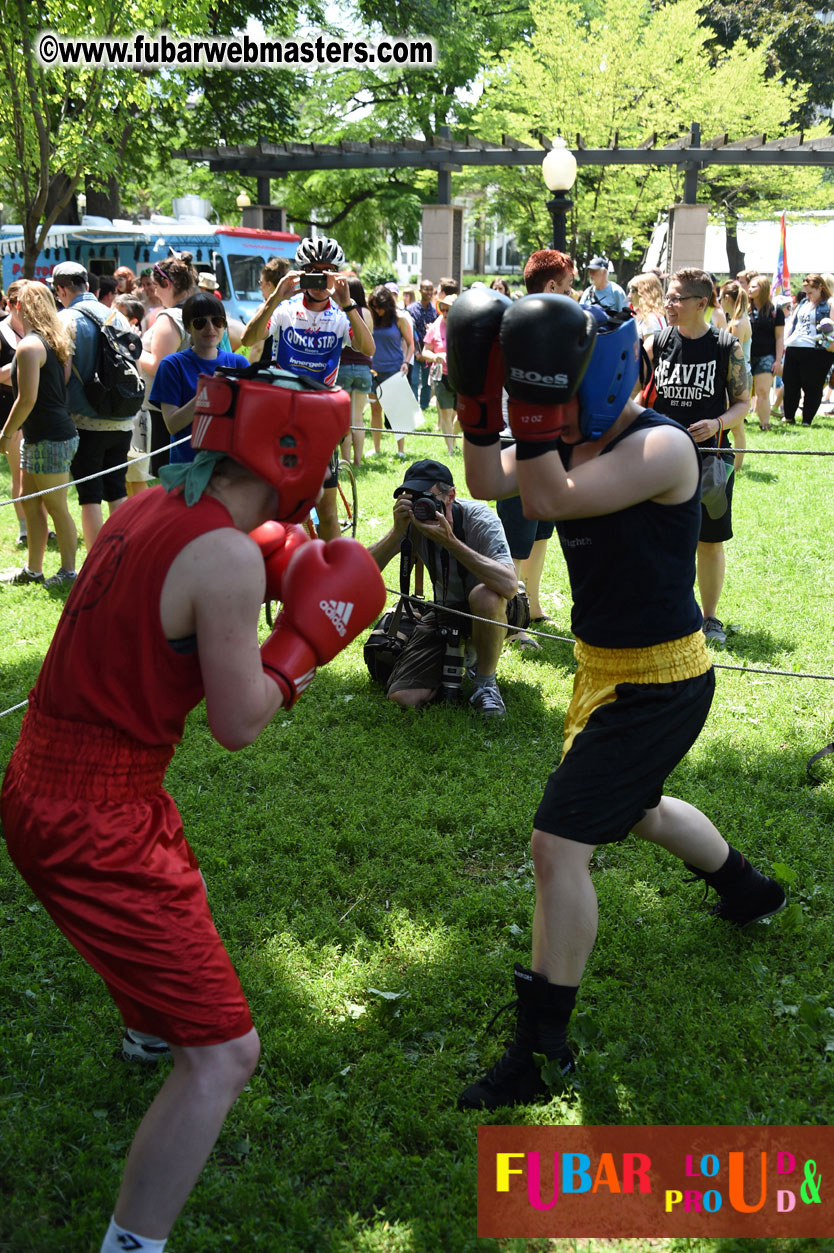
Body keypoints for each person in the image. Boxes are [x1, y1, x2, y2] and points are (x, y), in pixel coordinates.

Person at [0, 372, 386, 1253]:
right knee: (224, 1055)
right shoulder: (226, 558)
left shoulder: (142, 505)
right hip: (94, 817)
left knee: (173, 873)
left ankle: (144, 1029)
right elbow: (238, 721)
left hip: (45, 777)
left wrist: (277, 551)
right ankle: (130, 1245)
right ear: (296, 452)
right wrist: (303, 649)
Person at [447, 287, 786, 1110]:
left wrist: (532, 417)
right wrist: (480, 395)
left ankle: (540, 1049)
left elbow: (549, 497)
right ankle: (748, 888)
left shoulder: (663, 446)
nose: (553, 425)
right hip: (603, 669)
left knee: (557, 845)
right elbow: (490, 475)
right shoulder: (568, 435)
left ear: (597, 385)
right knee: (636, 807)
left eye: (558, 404)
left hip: (663, 679)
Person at [240, 235, 374, 540]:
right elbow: (249, 339)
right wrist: (275, 296)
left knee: (327, 514)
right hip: (282, 416)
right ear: (301, 272)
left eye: (326, 271)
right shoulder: (285, 310)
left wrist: (348, 303)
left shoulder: (340, 316)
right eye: (313, 270)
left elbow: (368, 348)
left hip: (320, 420)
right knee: (284, 508)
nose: (319, 278)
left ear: (336, 275)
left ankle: (334, 574)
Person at [644, 268, 749, 646]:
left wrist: (717, 422)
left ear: (700, 303)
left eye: (675, 298)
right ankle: (667, 607)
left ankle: (710, 618)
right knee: (661, 536)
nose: (668, 304)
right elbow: (634, 395)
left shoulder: (726, 346)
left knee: (709, 539)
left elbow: (743, 403)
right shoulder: (656, 342)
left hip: (711, 459)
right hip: (663, 459)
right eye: (667, 297)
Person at [367, 458, 517, 718]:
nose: (420, 506)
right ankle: (460, 653)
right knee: (404, 697)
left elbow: (509, 585)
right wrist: (396, 533)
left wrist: (451, 542)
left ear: (451, 496)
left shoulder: (480, 519)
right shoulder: (413, 523)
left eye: (427, 498)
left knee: (485, 596)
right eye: (412, 498)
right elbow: (362, 574)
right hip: (444, 611)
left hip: (496, 608)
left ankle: (485, 682)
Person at [51, 261, 134, 552]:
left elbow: (63, 374)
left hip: (87, 420)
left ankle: (97, 563)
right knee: (117, 490)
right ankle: (124, 558)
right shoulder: (117, 315)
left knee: (89, 497)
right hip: (123, 416)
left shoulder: (65, 320)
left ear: (61, 289)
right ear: (88, 285)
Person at [0, 281, 79, 588]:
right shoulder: (54, 340)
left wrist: (6, 435)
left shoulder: (31, 345)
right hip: (44, 435)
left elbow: (27, 399)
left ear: (19, 305)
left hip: (50, 437)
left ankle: (69, 572)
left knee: (57, 506)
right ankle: (33, 570)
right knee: (30, 501)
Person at [149, 293, 249, 468]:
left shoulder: (238, 363)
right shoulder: (172, 365)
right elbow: (173, 424)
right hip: (188, 466)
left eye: (217, 321)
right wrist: (208, 391)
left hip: (230, 466)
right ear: (188, 328)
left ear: (224, 325)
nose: (210, 328)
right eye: (200, 322)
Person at [139, 253, 200, 477]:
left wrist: (134, 351)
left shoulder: (169, 317)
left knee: (166, 480)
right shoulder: (199, 310)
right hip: (191, 404)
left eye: (156, 286)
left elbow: (158, 365)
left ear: (167, 283)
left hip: (167, 410)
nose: (155, 292)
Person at [368, 284, 414, 459]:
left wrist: (406, 362)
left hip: (394, 369)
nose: (376, 310)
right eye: (373, 306)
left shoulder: (399, 318)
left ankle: (400, 450)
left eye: (379, 306)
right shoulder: (372, 318)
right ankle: (376, 448)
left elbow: (411, 344)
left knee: (397, 412)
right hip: (374, 370)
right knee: (375, 410)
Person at [781, 273, 834, 426]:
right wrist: (785, 341)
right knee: (790, 383)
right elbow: (792, 323)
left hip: (816, 350)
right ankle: (789, 416)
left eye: (811, 292)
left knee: (812, 385)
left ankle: (806, 419)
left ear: (820, 288)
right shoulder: (803, 303)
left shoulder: (829, 303)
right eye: (806, 292)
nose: (808, 295)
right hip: (794, 346)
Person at [0, 279, 29, 547]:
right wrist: (24, 367)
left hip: (35, 407)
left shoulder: (38, 331)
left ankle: (40, 523)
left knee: (36, 472)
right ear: (10, 304)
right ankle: (23, 529)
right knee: (18, 471)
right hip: (9, 407)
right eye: (23, 303)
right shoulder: (1, 332)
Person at [335, 277, 374, 466]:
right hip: (363, 368)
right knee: (358, 417)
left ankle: (346, 460)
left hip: (343, 367)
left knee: (345, 420)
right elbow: (368, 341)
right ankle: (358, 460)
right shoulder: (366, 312)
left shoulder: (340, 310)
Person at [747, 276, 785, 432]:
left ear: (762, 289)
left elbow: (779, 337)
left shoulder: (775, 311)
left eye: (754, 287)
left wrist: (777, 360)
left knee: (762, 391)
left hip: (765, 356)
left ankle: (765, 424)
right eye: (749, 286)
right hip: (745, 356)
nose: (749, 289)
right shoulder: (744, 309)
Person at [421, 293, 458, 455]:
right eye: (443, 309)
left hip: (460, 376)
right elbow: (425, 352)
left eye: (448, 309)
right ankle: (450, 449)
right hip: (441, 376)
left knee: (459, 415)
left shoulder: (463, 326)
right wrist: (436, 356)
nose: (445, 313)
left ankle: (453, 437)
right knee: (446, 412)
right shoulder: (435, 327)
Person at [406, 279, 438, 411]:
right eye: (426, 289)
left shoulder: (435, 311)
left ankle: (424, 407)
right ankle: (413, 407)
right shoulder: (411, 309)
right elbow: (407, 332)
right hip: (414, 352)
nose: (429, 292)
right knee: (413, 381)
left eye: (431, 289)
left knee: (427, 382)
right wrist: (415, 352)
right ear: (420, 290)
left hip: (428, 353)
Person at [627, 272, 667, 339]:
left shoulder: (650, 319)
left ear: (644, 293)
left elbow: (649, 348)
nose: (629, 296)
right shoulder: (654, 315)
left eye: (633, 291)